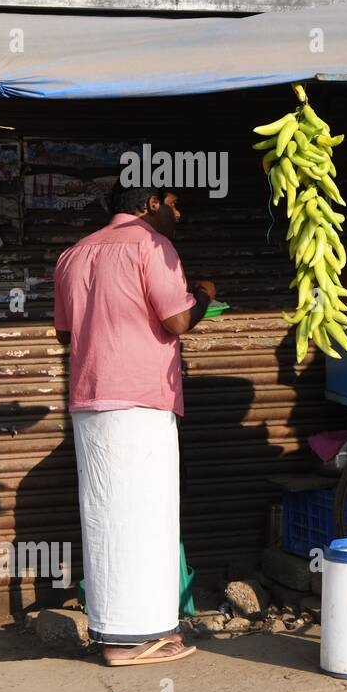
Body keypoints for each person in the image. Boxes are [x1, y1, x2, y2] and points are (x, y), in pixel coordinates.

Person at [54, 186, 214, 666]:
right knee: (146, 515)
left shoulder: (73, 254)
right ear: (150, 204)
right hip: (140, 399)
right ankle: (138, 638)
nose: (178, 213)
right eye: (173, 203)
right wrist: (205, 292)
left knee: (106, 514)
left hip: (89, 399)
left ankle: (113, 635)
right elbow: (180, 321)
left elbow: (66, 333)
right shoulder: (152, 246)